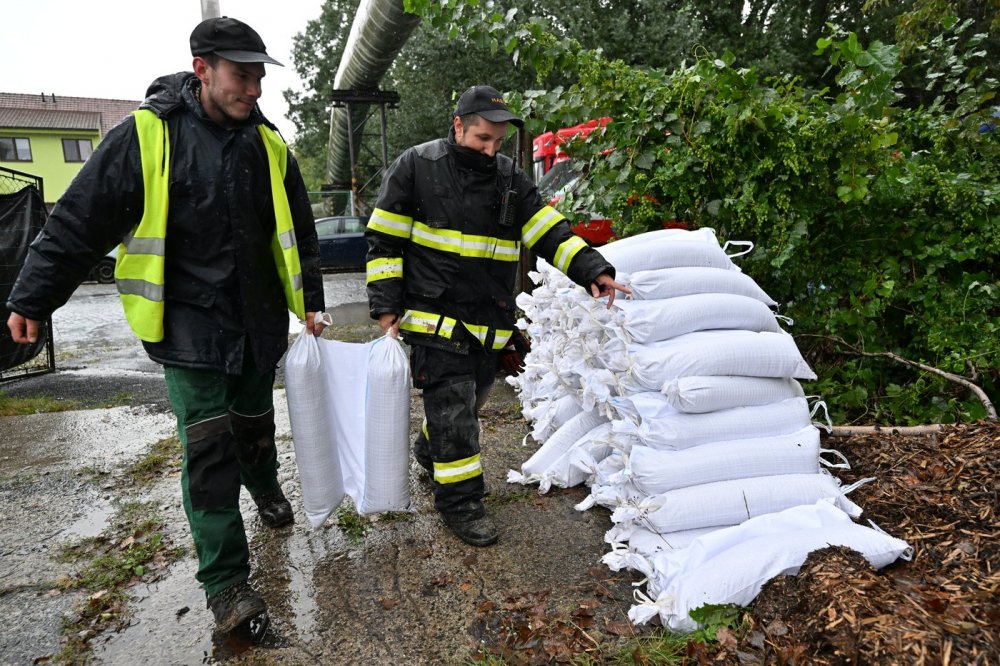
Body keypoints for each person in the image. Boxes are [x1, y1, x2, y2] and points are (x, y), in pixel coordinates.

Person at [5, 17, 326, 636]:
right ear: (201, 69)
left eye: (260, 75)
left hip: (256, 322)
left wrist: (309, 301)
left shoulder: (270, 144)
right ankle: (228, 585)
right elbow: (79, 220)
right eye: (242, 75)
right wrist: (34, 297)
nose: (254, 89)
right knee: (209, 450)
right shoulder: (147, 135)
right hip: (187, 326)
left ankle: (265, 490)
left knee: (255, 426)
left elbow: (300, 234)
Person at [366, 85, 628, 547]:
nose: (490, 150)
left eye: (497, 141)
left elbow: (548, 230)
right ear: (458, 127)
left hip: (489, 319)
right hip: (433, 317)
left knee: (467, 404)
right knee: (456, 415)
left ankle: (432, 450)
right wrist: (386, 306)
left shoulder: (509, 177)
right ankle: (462, 505)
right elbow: (384, 240)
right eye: (482, 138)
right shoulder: (416, 166)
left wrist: (593, 269)